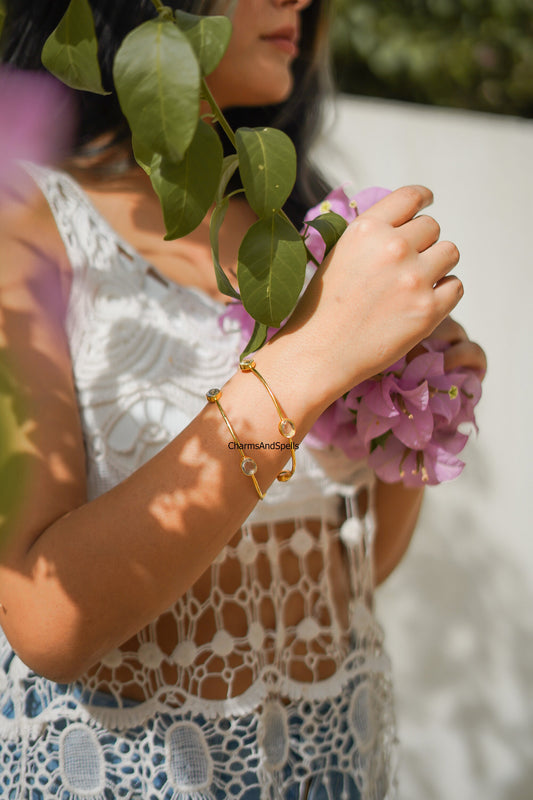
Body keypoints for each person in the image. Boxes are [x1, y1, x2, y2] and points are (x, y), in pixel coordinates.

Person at [0, 0, 487, 798]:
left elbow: (349, 576)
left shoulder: (286, 231)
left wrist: (416, 402)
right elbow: (46, 621)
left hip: (335, 760)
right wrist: (310, 361)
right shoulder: (25, 222)